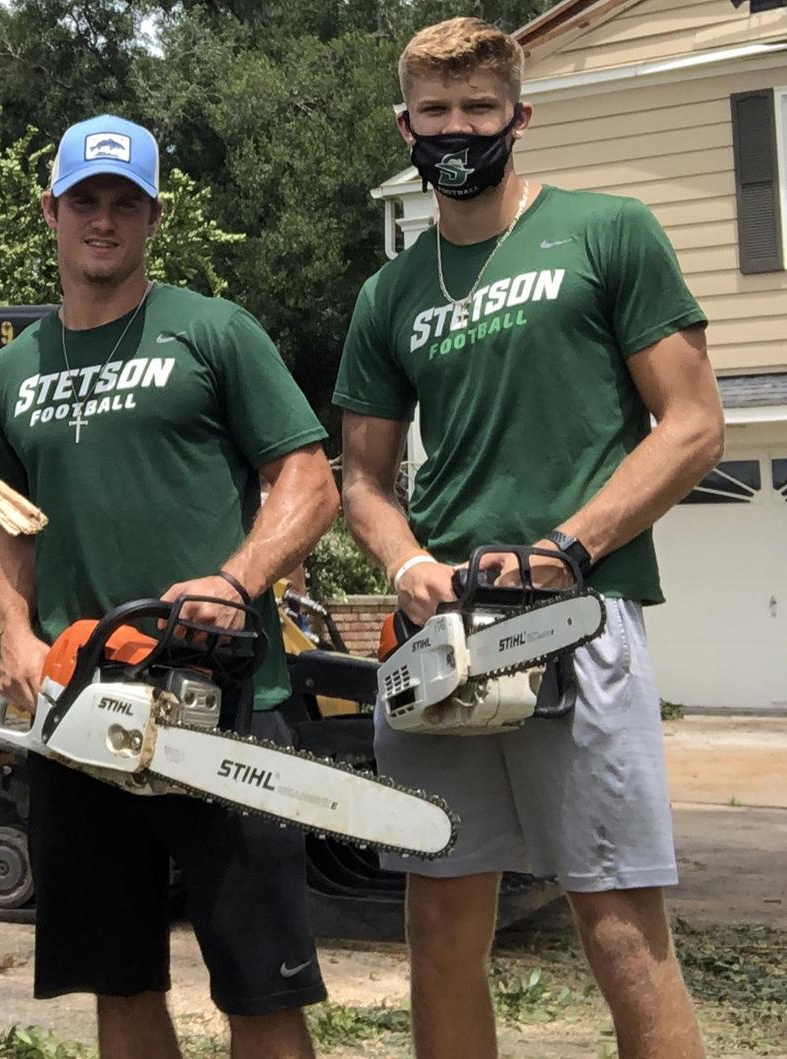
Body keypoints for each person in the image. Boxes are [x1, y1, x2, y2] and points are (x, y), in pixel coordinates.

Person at [332, 18, 723, 1059]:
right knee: (441, 929)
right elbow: (363, 479)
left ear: (518, 118)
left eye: (478, 110)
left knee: (619, 929)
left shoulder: (608, 231)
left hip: (578, 613)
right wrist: (409, 566)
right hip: (443, 638)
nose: (456, 130)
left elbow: (692, 424)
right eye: (436, 112)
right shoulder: (390, 294)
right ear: (405, 125)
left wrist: (571, 546)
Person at [0, 114, 340, 1059]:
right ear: (50, 210)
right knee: (119, 983)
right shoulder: (14, 372)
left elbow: (310, 480)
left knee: (260, 989)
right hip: (81, 710)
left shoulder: (214, 330)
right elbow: (5, 527)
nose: (104, 220)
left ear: (154, 216)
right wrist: (13, 632)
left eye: (125, 204)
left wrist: (238, 576)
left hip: (221, 701)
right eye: (86, 201)